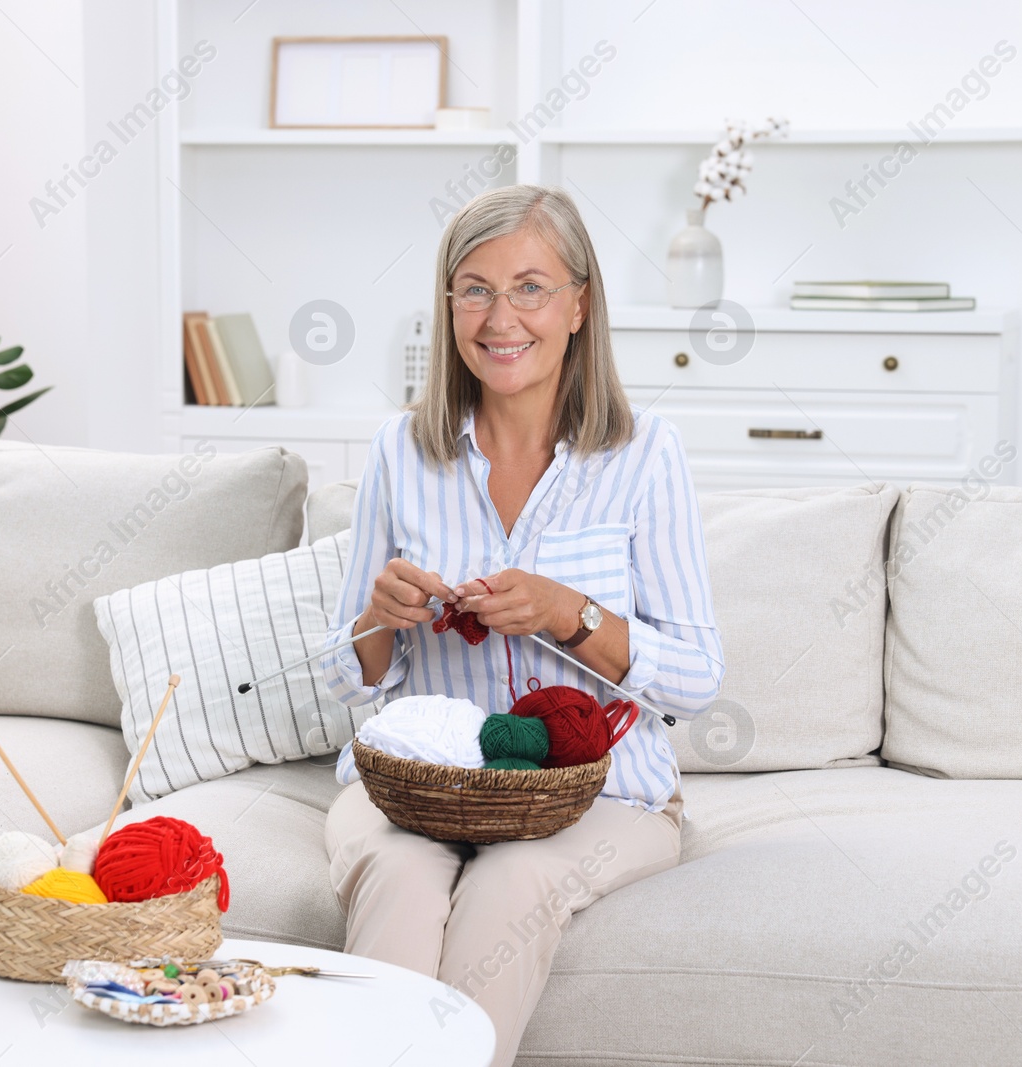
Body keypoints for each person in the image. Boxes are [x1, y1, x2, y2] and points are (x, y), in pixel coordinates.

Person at [319, 184, 724, 1067]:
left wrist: (568, 614)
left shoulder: (647, 453)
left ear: (580, 304)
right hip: (417, 788)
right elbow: (350, 674)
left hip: (600, 795)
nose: (501, 317)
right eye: (475, 289)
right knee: (397, 879)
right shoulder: (401, 449)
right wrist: (381, 616)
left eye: (531, 287)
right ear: (449, 305)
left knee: (510, 881)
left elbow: (696, 675)